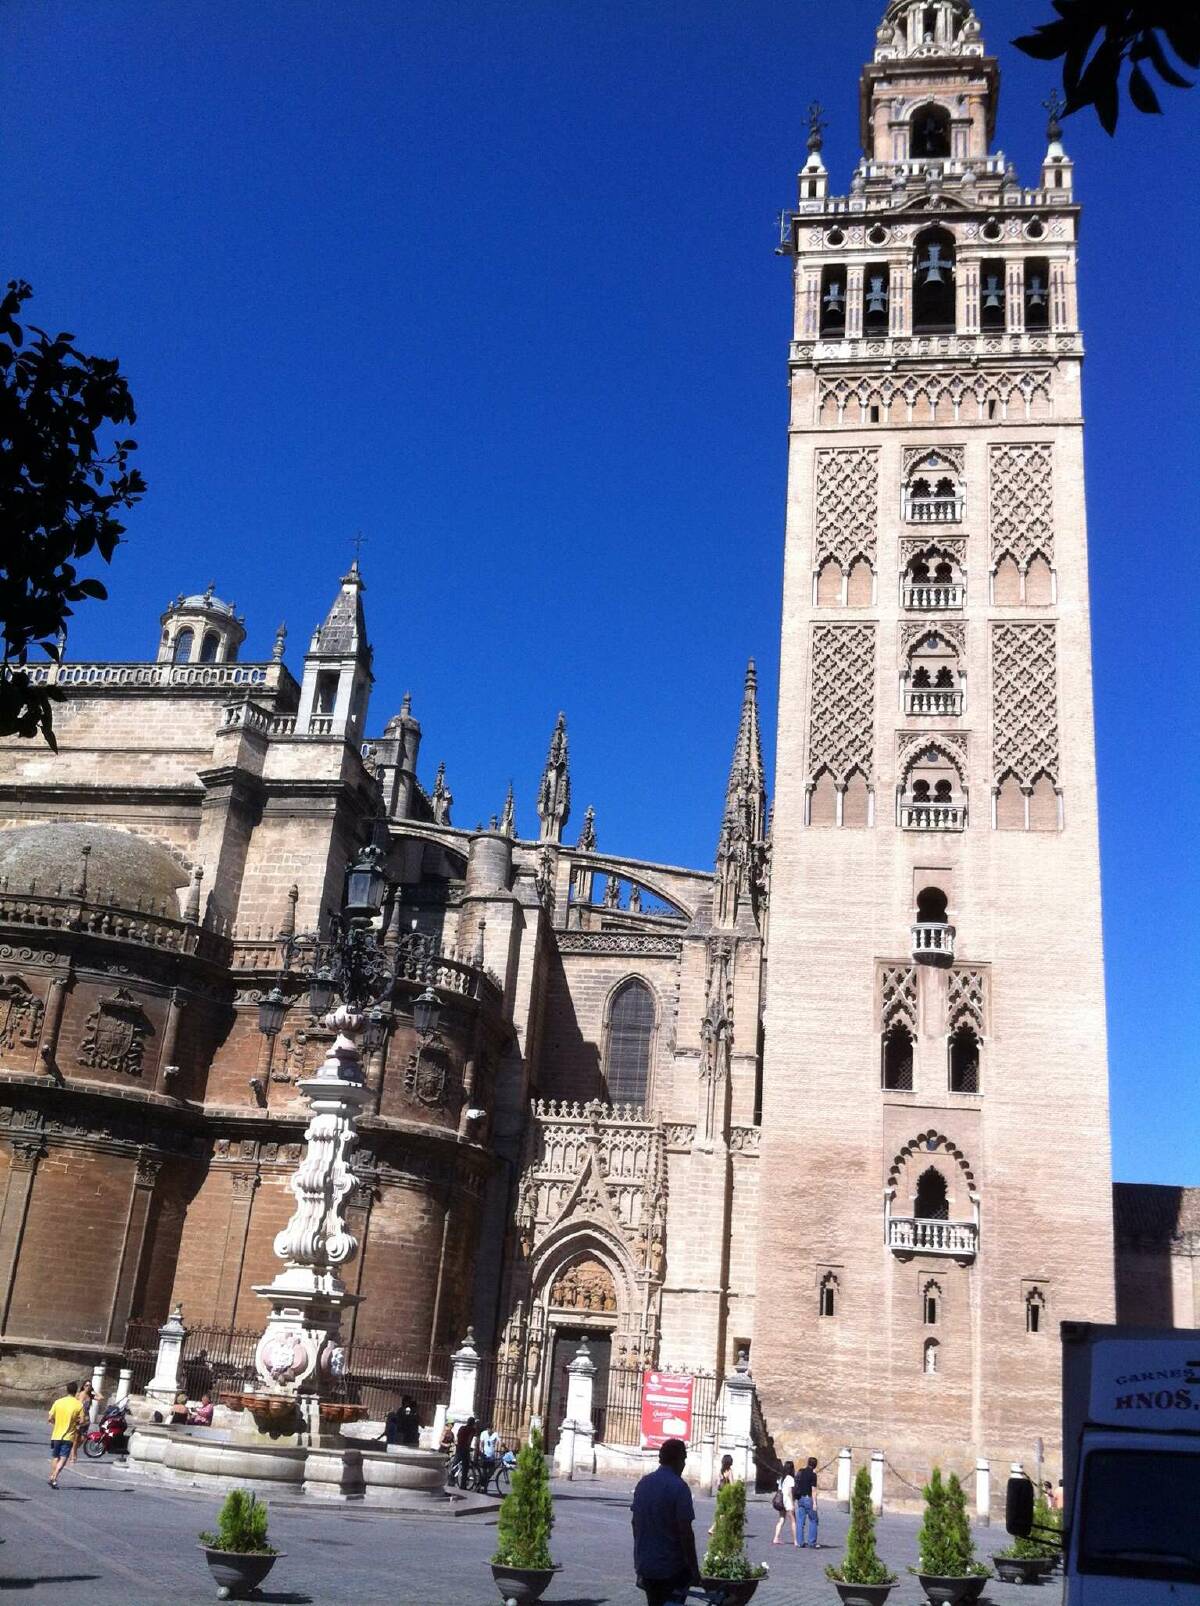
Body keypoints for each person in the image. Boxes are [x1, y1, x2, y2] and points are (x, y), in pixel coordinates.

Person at [631, 1438, 701, 1606]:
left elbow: (635, 1523)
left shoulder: (643, 1484)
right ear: (678, 1460)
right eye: (683, 1460)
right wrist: (694, 1569)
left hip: (647, 1563)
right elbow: (685, 1532)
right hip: (671, 1566)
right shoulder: (679, 1487)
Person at [47, 1381, 86, 1490]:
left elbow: (50, 1418)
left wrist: (56, 1423)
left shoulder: (58, 1402)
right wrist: (75, 1422)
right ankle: (54, 1476)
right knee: (64, 1458)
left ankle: (52, 1476)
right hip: (69, 1435)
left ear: (67, 1390)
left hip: (56, 1434)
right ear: (76, 1391)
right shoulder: (78, 1404)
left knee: (55, 1456)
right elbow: (82, 1421)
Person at [772, 1458, 798, 1545]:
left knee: (781, 1519)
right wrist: (793, 1503)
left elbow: (779, 1490)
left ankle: (776, 1537)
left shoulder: (781, 1478)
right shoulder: (790, 1478)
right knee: (793, 1521)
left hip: (781, 1501)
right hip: (787, 1501)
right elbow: (790, 1492)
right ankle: (795, 1541)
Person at [796, 1454, 820, 1548]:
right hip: (808, 1498)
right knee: (814, 1520)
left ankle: (800, 1542)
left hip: (800, 1498)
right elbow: (813, 1490)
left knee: (800, 1521)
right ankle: (812, 1542)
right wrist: (814, 1503)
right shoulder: (813, 1475)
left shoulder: (801, 1472)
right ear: (815, 1465)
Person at [708, 1454, 734, 1536]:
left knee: (722, 1512)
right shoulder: (729, 1471)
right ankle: (713, 1529)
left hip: (720, 1494)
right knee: (725, 1513)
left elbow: (718, 1483)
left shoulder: (720, 1470)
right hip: (726, 1494)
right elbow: (732, 1485)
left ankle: (721, 1530)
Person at [68, 1383, 94, 1465]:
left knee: (83, 1439)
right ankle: (73, 1456)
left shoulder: (90, 1396)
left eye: (89, 1385)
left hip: (86, 1420)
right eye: (86, 1385)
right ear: (83, 1386)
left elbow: (101, 1397)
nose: (88, 1387)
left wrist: (94, 1391)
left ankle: (72, 1450)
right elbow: (73, 1405)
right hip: (78, 1419)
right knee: (76, 1439)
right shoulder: (78, 1395)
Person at [453, 1415, 477, 1489]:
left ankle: (451, 1478)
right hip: (465, 1449)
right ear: (473, 1423)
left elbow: (458, 1436)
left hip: (458, 1447)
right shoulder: (472, 1429)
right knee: (465, 1467)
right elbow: (469, 1439)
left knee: (455, 1464)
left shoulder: (461, 1428)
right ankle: (463, 1485)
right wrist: (469, 1448)